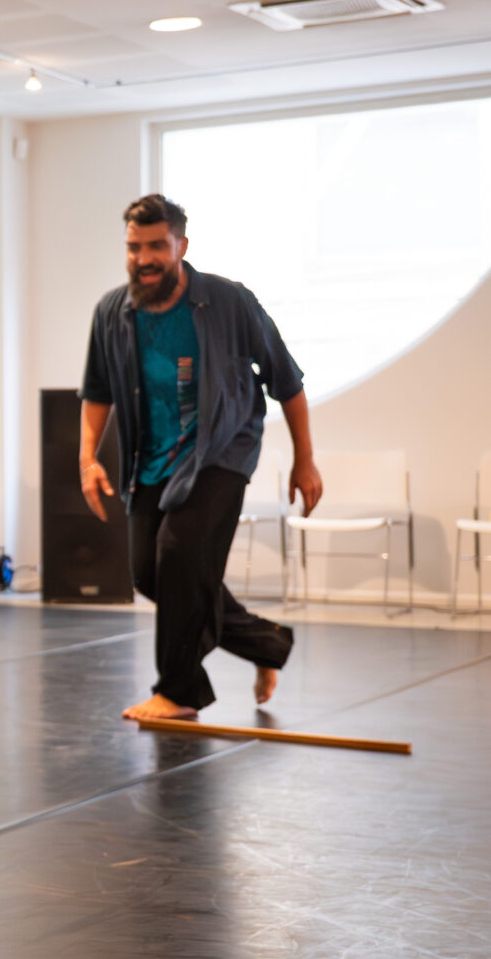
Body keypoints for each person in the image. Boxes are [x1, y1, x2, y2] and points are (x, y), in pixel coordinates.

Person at [78, 194, 324, 723]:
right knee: (151, 576)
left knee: (179, 555)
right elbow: (97, 391)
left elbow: (287, 381)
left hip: (221, 451)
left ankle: (179, 691)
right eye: (134, 247)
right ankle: (266, 644)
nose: (144, 258)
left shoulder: (229, 301)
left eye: (156, 246)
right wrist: (87, 458)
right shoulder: (113, 313)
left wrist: (305, 460)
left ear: (181, 246)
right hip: (150, 460)